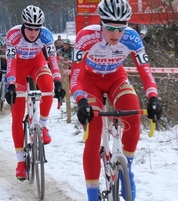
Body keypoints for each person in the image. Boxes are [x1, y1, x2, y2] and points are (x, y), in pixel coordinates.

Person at [70, 0, 162, 200]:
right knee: (93, 134)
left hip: (116, 78)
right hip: (90, 81)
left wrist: (153, 97)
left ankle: (126, 169)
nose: (116, 34)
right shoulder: (86, 37)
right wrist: (81, 101)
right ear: (101, 23)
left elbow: (145, 72)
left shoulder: (132, 38)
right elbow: (75, 77)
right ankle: (93, 195)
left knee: (133, 115)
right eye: (110, 28)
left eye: (121, 29)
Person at [5, 5, 65, 180]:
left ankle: (43, 126)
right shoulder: (13, 35)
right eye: (29, 28)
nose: (33, 32)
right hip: (18, 67)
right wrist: (10, 84)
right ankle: (20, 162)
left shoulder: (46, 35)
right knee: (17, 114)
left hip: (37, 62)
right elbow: (10, 62)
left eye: (36, 28)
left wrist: (58, 82)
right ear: (24, 26)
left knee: (47, 87)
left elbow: (53, 60)